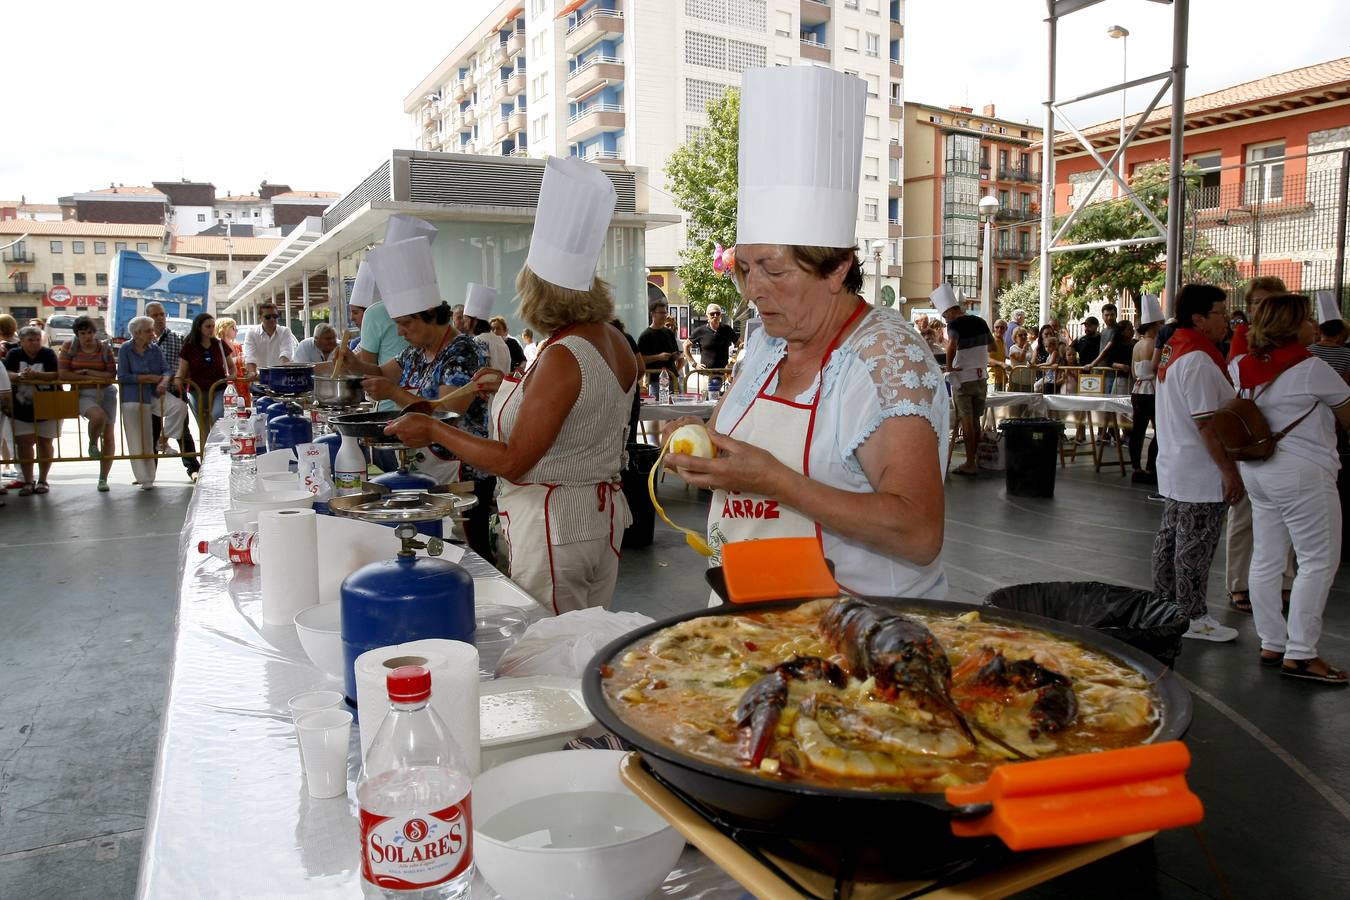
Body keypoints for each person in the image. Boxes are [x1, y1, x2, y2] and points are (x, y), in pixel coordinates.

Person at [666, 66, 948, 600]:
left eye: (774, 270)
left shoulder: (888, 359)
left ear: (836, 268)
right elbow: (745, 450)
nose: (754, 290)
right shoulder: (769, 344)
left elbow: (919, 533)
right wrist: (700, 445)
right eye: (745, 269)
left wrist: (777, 482)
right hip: (748, 620)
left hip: (853, 644)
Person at [385, 156, 638, 612]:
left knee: (550, 648)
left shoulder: (563, 354)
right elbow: (583, 412)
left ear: (540, 292)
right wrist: (507, 387)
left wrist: (436, 430)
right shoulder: (614, 340)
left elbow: (516, 461)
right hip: (600, 520)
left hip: (555, 528)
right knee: (582, 641)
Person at [336, 226, 496, 563]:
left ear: (431, 317)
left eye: (407, 323)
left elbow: (451, 409)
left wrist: (394, 392)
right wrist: (352, 362)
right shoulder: (415, 352)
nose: (401, 332)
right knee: (431, 552)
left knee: (469, 553)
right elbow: (380, 373)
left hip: (461, 471)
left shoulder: (463, 350)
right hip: (426, 466)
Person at [1230, 293, 1350, 683]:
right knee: (1317, 560)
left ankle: (1273, 641)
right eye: (1307, 318)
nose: (1313, 325)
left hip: (1259, 468)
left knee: (1267, 556)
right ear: (1292, 324)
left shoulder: (1242, 365)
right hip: (1304, 472)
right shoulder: (1311, 368)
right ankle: (1300, 653)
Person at [1152, 284, 1242, 642]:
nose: (1228, 321)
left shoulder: (1173, 351)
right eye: (1221, 313)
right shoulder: (1199, 359)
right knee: (1195, 545)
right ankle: (1192, 616)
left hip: (1176, 462)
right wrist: (1228, 471)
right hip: (1199, 468)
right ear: (1199, 318)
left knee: (1171, 540)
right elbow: (1206, 423)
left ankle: (1164, 606)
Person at [1220, 276, 1294, 612]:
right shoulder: (1242, 337)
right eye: (1261, 302)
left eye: (1275, 302)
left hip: (1289, 437)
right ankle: (1238, 582)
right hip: (1253, 435)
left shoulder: (1292, 343)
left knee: (1288, 513)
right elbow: (1241, 377)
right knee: (1245, 512)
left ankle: (1285, 579)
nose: (1268, 309)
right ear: (1250, 308)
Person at [119, 316, 185, 491]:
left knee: (179, 407)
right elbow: (123, 376)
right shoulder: (126, 349)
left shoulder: (154, 349)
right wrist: (146, 378)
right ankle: (145, 478)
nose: (152, 333)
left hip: (154, 394)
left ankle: (163, 440)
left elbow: (166, 369)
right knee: (138, 439)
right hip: (133, 398)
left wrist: (164, 381)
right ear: (137, 333)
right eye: (148, 330)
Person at [59, 315, 118, 491]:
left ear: (95, 332)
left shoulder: (104, 348)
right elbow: (63, 373)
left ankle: (103, 478)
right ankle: (92, 443)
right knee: (97, 417)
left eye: (90, 332)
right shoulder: (69, 347)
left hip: (106, 392)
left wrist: (87, 372)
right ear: (77, 334)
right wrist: (89, 377)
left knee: (108, 436)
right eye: (83, 333)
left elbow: (110, 375)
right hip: (83, 393)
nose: (87, 336)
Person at [940, 285, 993, 477]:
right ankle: (975, 460)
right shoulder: (980, 321)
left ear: (952, 310)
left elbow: (951, 346)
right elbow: (992, 347)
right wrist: (977, 353)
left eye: (945, 315)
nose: (946, 319)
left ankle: (970, 463)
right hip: (981, 378)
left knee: (967, 422)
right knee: (976, 421)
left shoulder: (954, 325)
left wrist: (949, 367)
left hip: (963, 379)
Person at [3, 326, 60, 494]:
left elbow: (56, 374)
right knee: (24, 444)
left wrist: (37, 376)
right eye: (30, 340)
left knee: (45, 443)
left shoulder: (48, 354)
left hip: (48, 405)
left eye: (37, 340)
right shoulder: (14, 354)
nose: (35, 343)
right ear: (21, 341)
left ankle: (43, 480)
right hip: (20, 408)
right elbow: (6, 372)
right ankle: (28, 481)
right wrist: (19, 376)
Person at [146, 301, 198, 479]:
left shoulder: (177, 337)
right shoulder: (143, 341)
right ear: (148, 318)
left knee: (183, 431)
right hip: (152, 393)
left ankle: (193, 468)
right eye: (155, 315)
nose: (160, 318)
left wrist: (181, 381)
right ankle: (149, 473)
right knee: (151, 432)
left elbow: (186, 364)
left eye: (161, 314)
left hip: (175, 390)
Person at [176, 312, 233, 430]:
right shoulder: (189, 347)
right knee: (203, 426)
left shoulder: (219, 344)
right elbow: (182, 369)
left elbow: (231, 365)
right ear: (198, 327)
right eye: (208, 326)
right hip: (196, 391)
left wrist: (232, 376)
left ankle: (218, 445)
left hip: (218, 388)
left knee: (217, 416)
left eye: (213, 326)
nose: (212, 329)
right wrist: (178, 379)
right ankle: (207, 447)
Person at [1129, 294, 1165, 485]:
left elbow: (1134, 373)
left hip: (1137, 390)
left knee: (1138, 430)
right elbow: (1158, 367)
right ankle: (1151, 467)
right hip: (1151, 392)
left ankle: (1136, 467)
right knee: (1160, 431)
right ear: (1154, 325)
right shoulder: (1156, 345)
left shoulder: (1137, 346)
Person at [463, 284, 512, 373]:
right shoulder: (501, 342)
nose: (464, 325)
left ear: (475, 320)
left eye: (466, 320)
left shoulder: (478, 341)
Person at [241, 301, 297, 377]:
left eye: (275, 316)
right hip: (259, 377)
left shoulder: (285, 331)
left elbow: (286, 353)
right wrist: (252, 373)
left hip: (281, 376)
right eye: (268, 317)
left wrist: (279, 372)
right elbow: (250, 356)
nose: (272, 319)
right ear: (260, 318)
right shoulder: (252, 333)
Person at [637, 298, 683, 387]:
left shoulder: (669, 333)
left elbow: (675, 354)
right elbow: (640, 359)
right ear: (652, 314)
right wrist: (658, 357)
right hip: (655, 381)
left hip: (672, 378)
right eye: (661, 313)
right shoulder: (645, 336)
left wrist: (675, 355)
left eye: (665, 312)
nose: (664, 315)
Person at [1309, 293, 1350, 383]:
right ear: (1340, 333)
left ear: (1320, 331)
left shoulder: (1308, 351)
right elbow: (1345, 382)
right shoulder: (1347, 355)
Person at [685, 303, 737, 372]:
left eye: (717, 313)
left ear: (720, 316)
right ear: (707, 316)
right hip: (706, 374)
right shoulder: (700, 331)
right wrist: (694, 364)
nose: (715, 316)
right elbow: (685, 345)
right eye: (712, 314)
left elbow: (740, 344)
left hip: (723, 373)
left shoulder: (727, 329)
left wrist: (736, 361)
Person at [1008, 326, 1035, 391]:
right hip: (1017, 381)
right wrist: (1024, 348)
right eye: (1020, 335)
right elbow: (1020, 359)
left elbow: (1033, 358)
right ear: (1015, 337)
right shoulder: (1013, 348)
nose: (1023, 337)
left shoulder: (1029, 347)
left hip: (1029, 380)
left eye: (1025, 335)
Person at [989, 319, 1009, 390]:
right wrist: (1000, 364)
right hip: (991, 379)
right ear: (993, 328)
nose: (999, 329)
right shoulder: (990, 341)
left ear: (1006, 329)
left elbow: (1002, 357)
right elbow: (986, 358)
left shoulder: (1003, 341)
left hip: (1002, 379)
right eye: (997, 327)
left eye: (1002, 327)